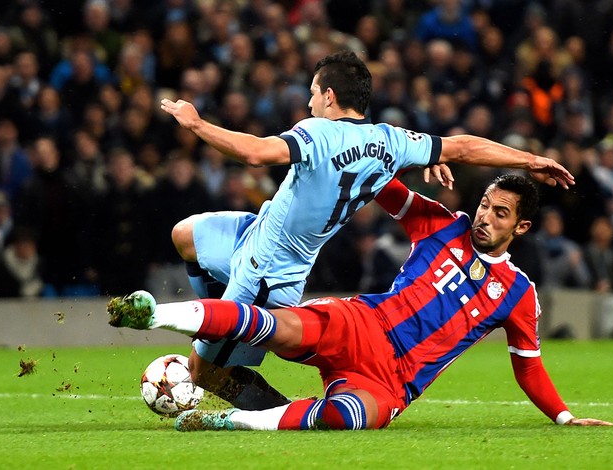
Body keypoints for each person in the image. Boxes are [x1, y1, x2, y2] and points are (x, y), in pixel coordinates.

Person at [158, 50, 575, 412]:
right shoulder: (392, 142)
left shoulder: (317, 131)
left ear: (329, 97)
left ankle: (279, 413)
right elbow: (462, 147)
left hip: (270, 270)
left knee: (202, 373)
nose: (308, 102)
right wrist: (529, 159)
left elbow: (254, 153)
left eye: (312, 93)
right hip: (257, 230)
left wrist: (196, 124)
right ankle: (214, 319)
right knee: (185, 235)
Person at [108, 174, 613, 431]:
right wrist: (373, 145)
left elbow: (528, 366)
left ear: (521, 227)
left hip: (390, 382)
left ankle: (226, 420)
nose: (484, 216)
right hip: (362, 322)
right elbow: (381, 183)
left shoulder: (520, 294)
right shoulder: (442, 224)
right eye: (484, 203)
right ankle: (154, 314)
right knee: (276, 328)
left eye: (499, 213)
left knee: (346, 419)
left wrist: (564, 418)